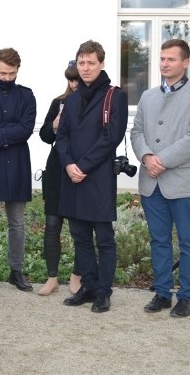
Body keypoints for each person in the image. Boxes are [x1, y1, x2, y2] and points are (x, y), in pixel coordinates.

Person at [130, 39, 190, 317]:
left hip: (182, 183)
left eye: (171, 59)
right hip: (150, 182)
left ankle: (186, 297)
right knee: (159, 240)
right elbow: (136, 132)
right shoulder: (147, 96)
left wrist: (160, 161)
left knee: (189, 241)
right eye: (162, 59)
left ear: (185, 62)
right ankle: (162, 293)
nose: (165, 64)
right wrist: (145, 157)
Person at [56, 40, 127, 313]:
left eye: (91, 63)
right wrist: (69, 164)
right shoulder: (72, 99)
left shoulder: (114, 96)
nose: (85, 68)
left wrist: (83, 166)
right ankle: (88, 285)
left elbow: (112, 137)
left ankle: (103, 291)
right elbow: (62, 138)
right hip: (72, 176)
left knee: (104, 238)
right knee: (80, 236)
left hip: (96, 177)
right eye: (81, 63)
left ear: (101, 64)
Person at [0, 48, 36, 293]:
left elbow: (26, 128)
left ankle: (16, 271)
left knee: (17, 223)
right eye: (3, 73)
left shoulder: (26, 95)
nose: (7, 78)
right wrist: (5, 131)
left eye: (11, 73)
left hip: (17, 163)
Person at [37, 61, 82, 296]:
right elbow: (44, 136)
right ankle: (52, 278)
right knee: (52, 226)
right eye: (71, 80)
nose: (74, 84)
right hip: (56, 168)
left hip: (79, 169)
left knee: (78, 228)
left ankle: (76, 276)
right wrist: (53, 124)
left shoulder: (91, 102)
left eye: (77, 79)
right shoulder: (58, 102)